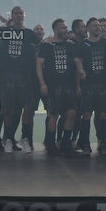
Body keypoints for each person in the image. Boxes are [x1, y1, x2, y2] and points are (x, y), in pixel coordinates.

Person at [0, 6, 41, 153]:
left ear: (24, 16)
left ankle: (25, 138)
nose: (19, 15)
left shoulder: (29, 34)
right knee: (7, 108)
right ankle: (8, 139)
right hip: (7, 74)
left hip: (25, 75)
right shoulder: (3, 32)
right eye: (16, 13)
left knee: (28, 108)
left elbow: (41, 48)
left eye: (21, 13)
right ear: (12, 16)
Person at [36, 18, 79, 156]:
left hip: (67, 86)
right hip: (53, 86)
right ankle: (50, 143)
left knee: (72, 113)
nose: (66, 30)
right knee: (53, 114)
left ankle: (66, 143)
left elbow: (77, 62)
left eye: (66, 27)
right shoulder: (46, 46)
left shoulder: (70, 46)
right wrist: (42, 84)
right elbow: (38, 65)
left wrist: (81, 73)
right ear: (56, 29)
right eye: (63, 28)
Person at [75, 17, 106, 155]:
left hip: (104, 84)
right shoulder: (82, 45)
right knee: (86, 114)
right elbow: (78, 64)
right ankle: (85, 143)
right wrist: (79, 84)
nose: (98, 27)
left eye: (99, 25)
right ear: (88, 29)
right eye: (95, 26)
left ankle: (103, 142)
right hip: (88, 85)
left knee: (104, 114)